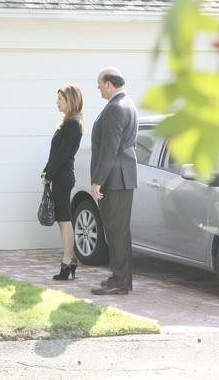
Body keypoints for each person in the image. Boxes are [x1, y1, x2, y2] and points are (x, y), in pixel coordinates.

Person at [90, 67, 138, 295]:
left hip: (115, 178)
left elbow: (110, 149)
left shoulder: (115, 108)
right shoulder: (128, 102)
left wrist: (98, 181)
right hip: (122, 176)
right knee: (120, 230)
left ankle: (120, 281)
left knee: (116, 230)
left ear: (109, 84)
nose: (98, 88)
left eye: (99, 84)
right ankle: (121, 279)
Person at [42, 85, 85, 280]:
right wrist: (47, 171)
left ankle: (67, 263)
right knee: (62, 219)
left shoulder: (73, 124)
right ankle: (70, 260)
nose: (57, 102)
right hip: (60, 175)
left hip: (63, 176)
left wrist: (49, 174)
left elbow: (63, 154)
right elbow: (56, 154)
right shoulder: (68, 123)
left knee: (65, 220)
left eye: (60, 98)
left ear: (71, 100)